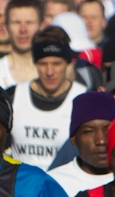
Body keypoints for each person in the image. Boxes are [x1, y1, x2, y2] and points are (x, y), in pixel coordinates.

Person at [8, 36, 85, 170]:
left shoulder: (83, 99)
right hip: (19, 186)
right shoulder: (14, 96)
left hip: (63, 186)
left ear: (67, 64)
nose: (50, 72)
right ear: (35, 64)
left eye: (56, 64)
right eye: (43, 64)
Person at [0, 0, 43, 87]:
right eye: (16, 22)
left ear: (41, 26)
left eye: (29, 22)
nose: (23, 29)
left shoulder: (53, 74)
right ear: (6, 26)